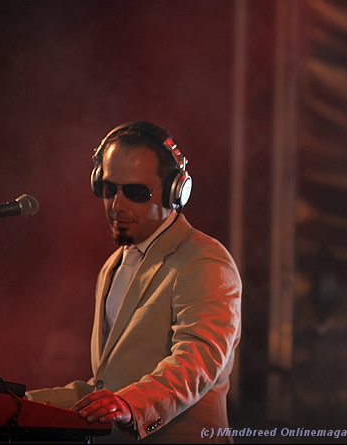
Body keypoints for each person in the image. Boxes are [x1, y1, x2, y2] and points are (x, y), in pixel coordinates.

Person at [27, 121, 242, 444]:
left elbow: (198, 360)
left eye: (136, 192)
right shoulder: (113, 266)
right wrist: (21, 403)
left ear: (175, 191)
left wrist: (130, 404)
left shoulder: (204, 259)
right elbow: (106, 389)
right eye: (108, 189)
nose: (117, 204)